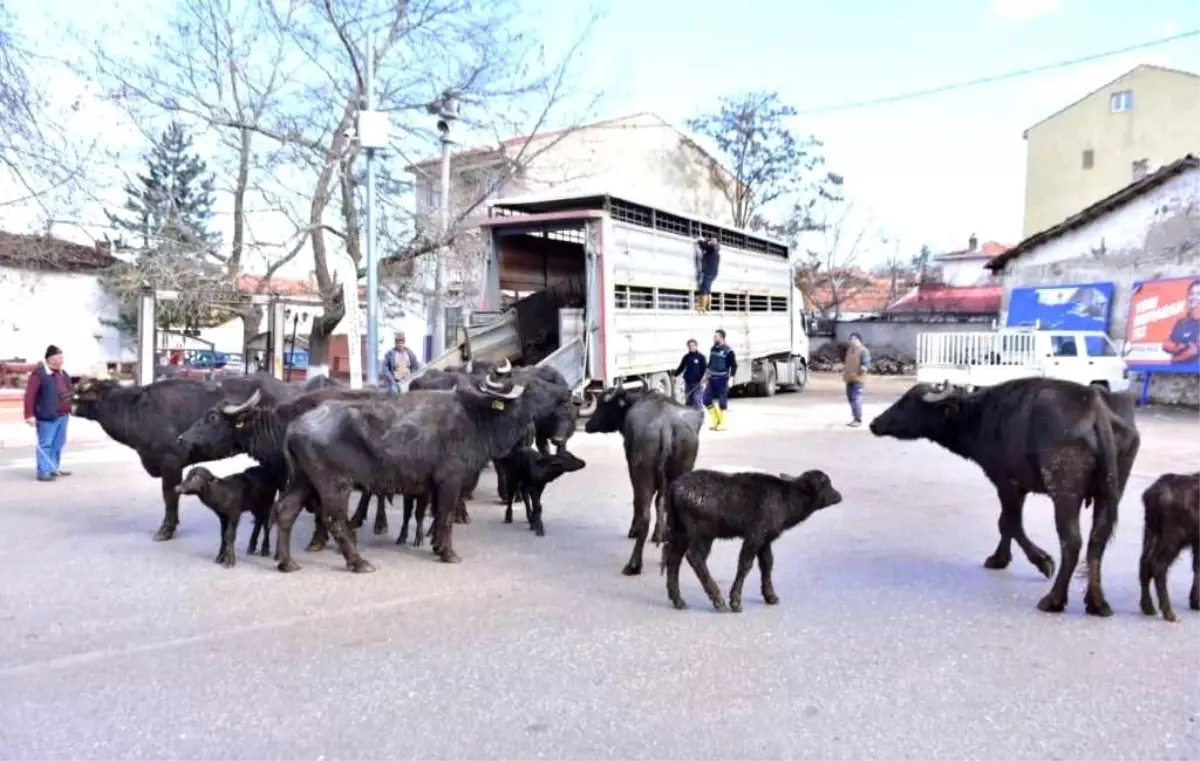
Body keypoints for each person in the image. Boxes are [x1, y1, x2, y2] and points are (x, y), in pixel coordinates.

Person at [23, 344, 73, 482]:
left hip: (63, 415)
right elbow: (29, 396)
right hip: (47, 416)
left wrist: (71, 407)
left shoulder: (64, 374)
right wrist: (29, 415)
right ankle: (44, 471)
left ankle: (53, 468)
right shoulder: (39, 374)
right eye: (58, 357)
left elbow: (69, 393)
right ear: (50, 359)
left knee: (58, 444)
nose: (61, 360)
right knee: (46, 444)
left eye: (62, 357)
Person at [703, 329, 737, 431]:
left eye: (716, 336)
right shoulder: (713, 349)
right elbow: (710, 364)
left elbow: (734, 365)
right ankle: (716, 420)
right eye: (714, 336)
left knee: (722, 402)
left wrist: (731, 378)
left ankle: (723, 424)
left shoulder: (728, 351)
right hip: (712, 379)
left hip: (723, 379)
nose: (714, 338)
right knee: (706, 399)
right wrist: (705, 376)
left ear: (721, 338)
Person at [1162, 279, 1200, 364]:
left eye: (1198, 294)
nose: (1194, 297)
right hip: (1176, 369)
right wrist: (1180, 347)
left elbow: (1194, 350)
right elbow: (1166, 344)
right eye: (1191, 293)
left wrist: (1176, 354)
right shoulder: (1181, 321)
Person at [843, 332, 871, 428]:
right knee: (851, 398)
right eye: (851, 339)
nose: (852, 340)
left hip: (858, 379)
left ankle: (858, 419)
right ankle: (855, 417)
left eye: (854, 339)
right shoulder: (849, 350)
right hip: (849, 378)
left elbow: (866, 365)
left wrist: (860, 372)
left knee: (856, 398)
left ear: (859, 340)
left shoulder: (864, 351)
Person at [674, 339, 707, 409]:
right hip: (688, 382)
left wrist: (704, 379)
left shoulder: (701, 357)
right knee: (688, 400)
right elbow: (681, 367)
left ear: (696, 346)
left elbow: (706, 370)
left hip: (698, 383)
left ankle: (700, 416)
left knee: (696, 399)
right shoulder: (686, 357)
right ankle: (689, 417)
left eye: (692, 346)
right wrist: (675, 375)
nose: (691, 347)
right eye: (689, 346)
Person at [695, 236, 721, 312]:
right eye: (711, 240)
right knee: (706, 288)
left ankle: (703, 307)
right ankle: (707, 306)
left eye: (713, 240)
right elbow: (705, 248)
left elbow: (704, 245)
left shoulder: (713, 248)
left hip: (709, 272)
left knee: (704, 289)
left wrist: (700, 240)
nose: (711, 241)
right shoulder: (714, 250)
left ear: (716, 242)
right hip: (711, 272)